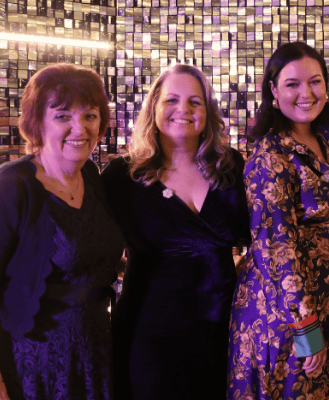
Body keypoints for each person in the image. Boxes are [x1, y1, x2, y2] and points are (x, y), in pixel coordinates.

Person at [227, 41, 329, 400]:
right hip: (289, 318)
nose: (306, 93)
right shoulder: (269, 152)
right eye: (293, 84)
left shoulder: (326, 142)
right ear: (273, 91)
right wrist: (307, 328)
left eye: (316, 81)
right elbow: (276, 246)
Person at [101, 64, 248, 400]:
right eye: (172, 100)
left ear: (208, 112)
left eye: (195, 102)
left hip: (222, 331)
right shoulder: (121, 177)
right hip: (147, 335)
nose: (184, 110)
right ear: (153, 107)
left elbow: (267, 244)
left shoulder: (232, 167)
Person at [0, 63, 123, 400]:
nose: (80, 128)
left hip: (96, 353)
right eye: (63, 115)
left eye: (90, 115)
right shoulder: (11, 185)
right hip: (32, 364)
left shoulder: (91, 175)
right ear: (38, 123)